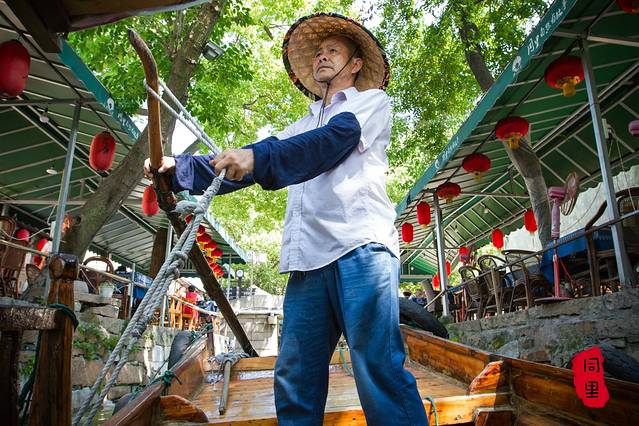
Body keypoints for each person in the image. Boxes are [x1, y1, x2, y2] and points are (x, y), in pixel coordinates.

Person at [144, 13, 427, 425]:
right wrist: (179, 169)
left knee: (378, 367)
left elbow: (330, 143)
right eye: (319, 52)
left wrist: (258, 158)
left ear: (355, 64)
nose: (322, 56)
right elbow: (243, 164)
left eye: (333, 51)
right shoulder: (300, 126)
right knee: (294, 375)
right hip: (307, 260)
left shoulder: (369, 104)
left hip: (361, 250)